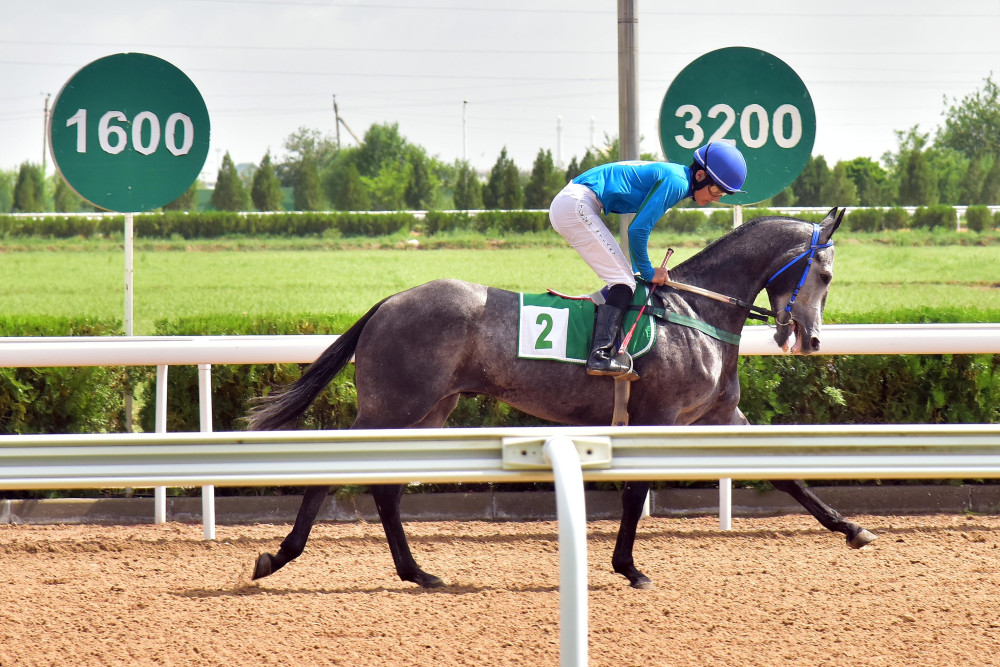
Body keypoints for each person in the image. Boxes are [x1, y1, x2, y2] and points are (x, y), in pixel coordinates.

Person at [548, 141, 748, 377]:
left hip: (576, 203)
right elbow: (638, 230)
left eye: (723, 194)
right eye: (716, 191)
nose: (717, 198)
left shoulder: (678, 179)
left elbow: (637, 230)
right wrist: (648, 271)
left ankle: (601, 338)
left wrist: (638, 269)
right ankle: (599, 356)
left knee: (625, 279)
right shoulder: (678, 182)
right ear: (701, 175)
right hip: (576, 204)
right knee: (623, 283)